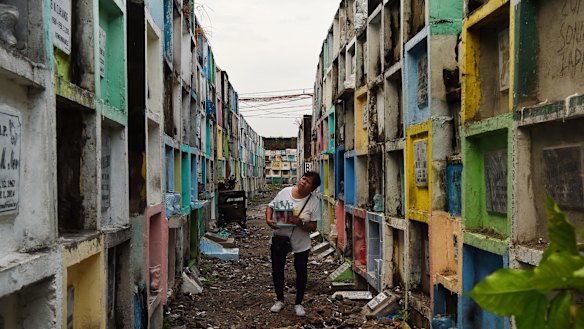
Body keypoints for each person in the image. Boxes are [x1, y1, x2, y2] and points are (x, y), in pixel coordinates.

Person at [265, 171, 321, 317]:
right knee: (277, 269)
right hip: (280, 239)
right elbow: (270, 206)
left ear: (312, 188)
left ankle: (299, 303)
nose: (303, 182)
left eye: (308, 182)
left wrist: (300, 222)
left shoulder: (313, 202)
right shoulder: (285, 192)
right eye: (304, 178)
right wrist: (269, 220)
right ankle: (279, 300)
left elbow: (313, 227)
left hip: (301, 242)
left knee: (301, 270)